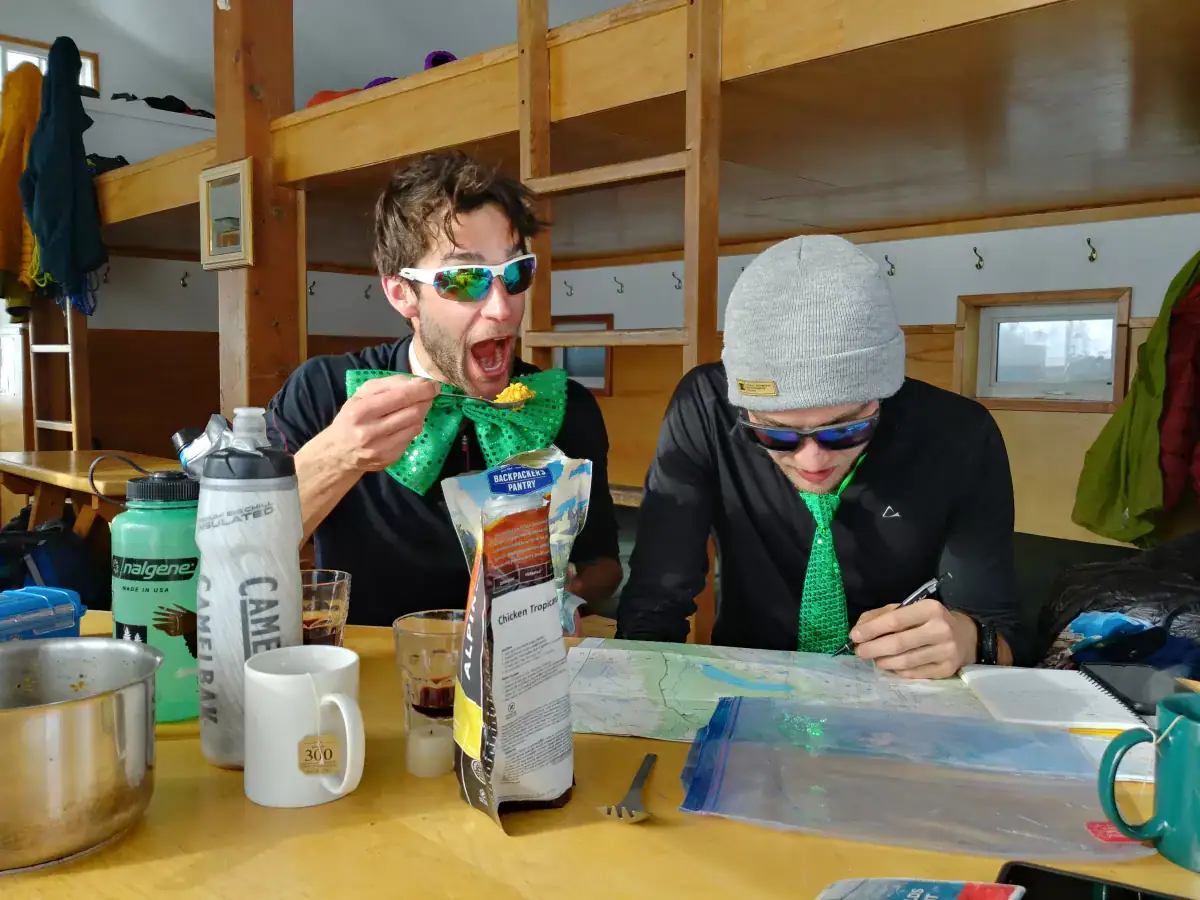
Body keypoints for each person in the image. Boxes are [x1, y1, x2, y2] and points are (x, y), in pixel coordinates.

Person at [617, 235, 1025, 677]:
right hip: (751, 688)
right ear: (744, 408)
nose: (812, 462)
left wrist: (971, 640)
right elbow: (654, 599)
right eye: (776, 435)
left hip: (905, 698)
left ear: (883, 396)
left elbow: (1004, 631)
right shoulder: (706, 407)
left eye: (846, 429)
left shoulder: (958, 436)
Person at [267, 151, 622, 626]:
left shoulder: (564, 405)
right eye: (465, 279)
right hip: (369, 675)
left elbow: (605, 563)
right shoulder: (324, 391)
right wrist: (339, 455)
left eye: (515, 274)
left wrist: (564, 595)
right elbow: (247, 551)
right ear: (401, 293)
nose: (503, 309)